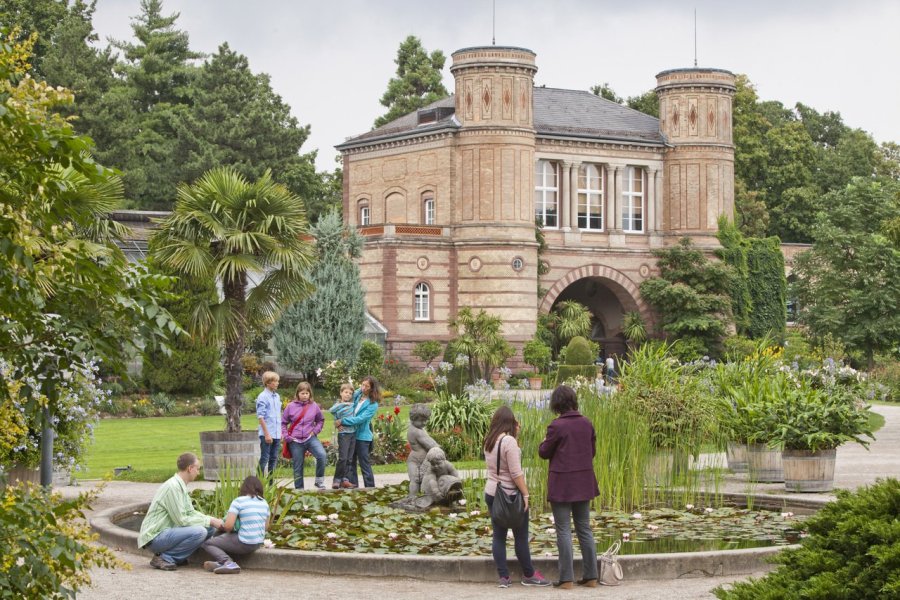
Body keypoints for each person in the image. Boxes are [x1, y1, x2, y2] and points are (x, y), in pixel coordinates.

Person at [538, 385, 600, 589]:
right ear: (573, 400)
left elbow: (544, 452)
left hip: (562, 484)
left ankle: (566, 579)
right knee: (584, 528)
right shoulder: (587, 423)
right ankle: (591, 576)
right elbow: (591, 452)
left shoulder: (557, 426)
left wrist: (542, 443)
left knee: (563, 530)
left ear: (556, 404)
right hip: (583, 481)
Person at [483, 405, 549, 588]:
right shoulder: (509, 441)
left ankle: (504, 577)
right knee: (520, 536)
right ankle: (529, 574)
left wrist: (515, 436)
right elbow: (515, 472)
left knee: (498, 536)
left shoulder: (489, 440)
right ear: (511, 422)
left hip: (492, 492)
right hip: (510, 496)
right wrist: (526, 494)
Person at [138, 452, 223, 571]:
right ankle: (165, 558)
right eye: (197, 469)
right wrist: (210, 520)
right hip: (154, 537)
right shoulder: (173, 487)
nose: (198, 472)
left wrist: (211, 521)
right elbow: (181, 520)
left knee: (210, 528)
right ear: (190, 468)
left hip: (166, 532)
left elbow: (190, 512)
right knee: (199, 531)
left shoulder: (180, 485)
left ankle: (178, 556)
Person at [201, 475, 270, 574]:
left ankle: (228, 562)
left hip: (244, 542)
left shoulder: (239, 501)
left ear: (244, 488)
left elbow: (228, 527)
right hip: (257, 543)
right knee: (220, 537)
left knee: (208, 543)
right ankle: (220, 563)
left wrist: (221, 524)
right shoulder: (264, 503)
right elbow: (266, 527)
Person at [281, 381, 326, 490]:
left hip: (310, 438)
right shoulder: (290, 406)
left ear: (310, 394)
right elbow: (283, 423)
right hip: (295, 441)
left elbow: (320, 420)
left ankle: (319, 481)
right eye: (302, 393)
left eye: (307, 393)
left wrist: (315, 431)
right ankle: (299, 490)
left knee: (322, 455)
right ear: (297, 394)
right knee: (298, 466)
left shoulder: (314, 406)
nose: (305, 395)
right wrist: (287, 437)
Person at [336, 375, 379, 488]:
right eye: (363, 385)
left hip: (363, 438)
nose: (364, 388)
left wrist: (343, 421)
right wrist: (338, 420)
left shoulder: (373, 404)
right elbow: (346, 397)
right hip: (352, 434)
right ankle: (353, 487)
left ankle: (370, 488)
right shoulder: (357, 396)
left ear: (372, 388)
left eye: (367, 386)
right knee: (350, 463)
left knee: (364, 464)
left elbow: (360, 419)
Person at [328, 383, 357, 489]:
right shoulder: (338, 405)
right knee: (343, 458)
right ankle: (336, 479)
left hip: (353, 433)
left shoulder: (353, 404)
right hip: (343, 434)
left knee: (349, 458)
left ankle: (345, 479)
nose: (348, 395)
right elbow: (332, 411)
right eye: (346, 392)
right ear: (341, 393)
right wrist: (337, 422)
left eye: (350, 393)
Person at [405, 403, 437, 498]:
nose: (424, 423)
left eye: (425, 420)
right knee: (415, 479)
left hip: (421, 460)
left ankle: (422, 497)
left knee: (422, 479)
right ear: (413, 419)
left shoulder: (419, 428)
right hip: (414, 461)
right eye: (421, 420)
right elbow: (432, 445)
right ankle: (412, 497)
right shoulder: (416, 431)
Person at [256, 371, 282, 480]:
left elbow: (277, 415)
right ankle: (258, 481)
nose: (277, 383)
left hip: (276, 434)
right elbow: (260, 417)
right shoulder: (262, 397)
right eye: (274, 381)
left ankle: (270, 483)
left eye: (277, 381)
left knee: (273, 459)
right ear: (267, 383)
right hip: (267, 434)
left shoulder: (276, 396)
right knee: (265, 458)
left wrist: (280, 433)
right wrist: (267, 434)